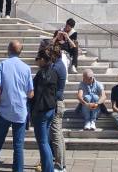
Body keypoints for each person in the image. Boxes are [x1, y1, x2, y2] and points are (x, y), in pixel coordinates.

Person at [0, 40, 34, 172]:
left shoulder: (2, 65)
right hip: (20, 111)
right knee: (18, 147)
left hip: (4, 110)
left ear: (8, 49)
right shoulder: (26, 68)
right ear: (20, 52)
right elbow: (30, 93)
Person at [31, 45, 59, 172]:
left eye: (38, 58)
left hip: (42, 110)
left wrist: (33, 111)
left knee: (42, 142)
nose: (37, 61)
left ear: (43, 59)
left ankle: (48, 169)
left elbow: (37, 94)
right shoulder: (53, 72)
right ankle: (47, 168)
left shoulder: (42, 73)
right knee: (45, 141)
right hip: (50, 109)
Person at [49, 43, 67, 172]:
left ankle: (59, 165)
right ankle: (62, 164)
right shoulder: (59, 65)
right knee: (58, 135)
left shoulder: (56, 67)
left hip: (56, 103)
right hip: (58, 103)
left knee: (56, 136)